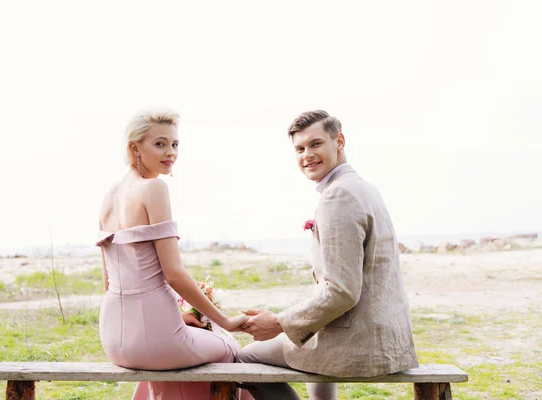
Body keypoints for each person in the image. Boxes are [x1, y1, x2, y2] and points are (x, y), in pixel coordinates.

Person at [237, 110, 418, 400]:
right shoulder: (364, 188)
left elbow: (342, 292)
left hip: (356, 343)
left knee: (245, 358)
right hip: (386, 338)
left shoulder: (339, 196)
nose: (307, 154)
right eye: (300, 148)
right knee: (308, 336)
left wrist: (279, 323)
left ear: (340, 141)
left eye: (316, 144)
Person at [96, 108, 251, 400]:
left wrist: (179, 315)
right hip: (155, 339)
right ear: (134, 148)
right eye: (160, 144)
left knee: (173, 355)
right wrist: (226, 320)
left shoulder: (109, 196)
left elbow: (108, 282)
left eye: (175, 144)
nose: (171, 152)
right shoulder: (154, 188)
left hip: (114, 339)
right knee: (228, 344)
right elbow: (174, 274)